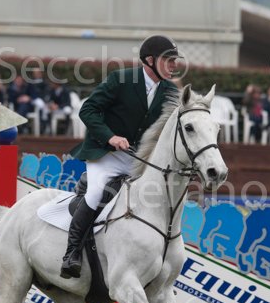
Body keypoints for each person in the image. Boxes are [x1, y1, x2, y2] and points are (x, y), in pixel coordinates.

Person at [60, 35, 181, 279]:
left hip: (138, 159)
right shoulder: (121, 79)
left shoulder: (170, 91)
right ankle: (71, 253)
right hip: (106, 154)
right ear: (150, 60)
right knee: (96, 194)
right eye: (168, 60)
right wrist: (110, 137)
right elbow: (88, 110)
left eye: (175, 60)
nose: (173, 65)